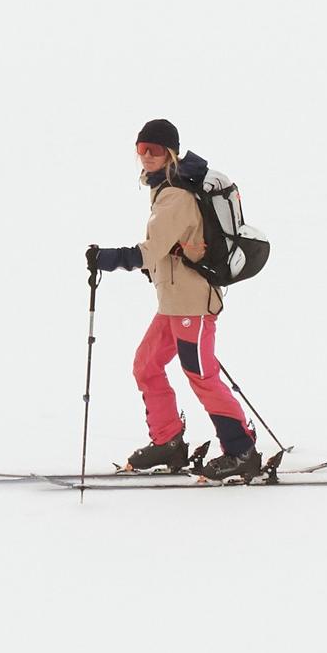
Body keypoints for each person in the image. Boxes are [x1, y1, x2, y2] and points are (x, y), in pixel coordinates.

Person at [90, 117, 265, 478]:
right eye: (141, 149)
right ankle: (168, 441)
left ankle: (241, 451)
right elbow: (170, 248)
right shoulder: (165, 188)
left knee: (201, 374)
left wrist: (107, 258)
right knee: (146, 365)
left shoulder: (176, 195)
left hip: (192, 305)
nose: (146, 156)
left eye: (154, 149)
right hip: (173, 303)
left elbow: (150, 250)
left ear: (170, 152)